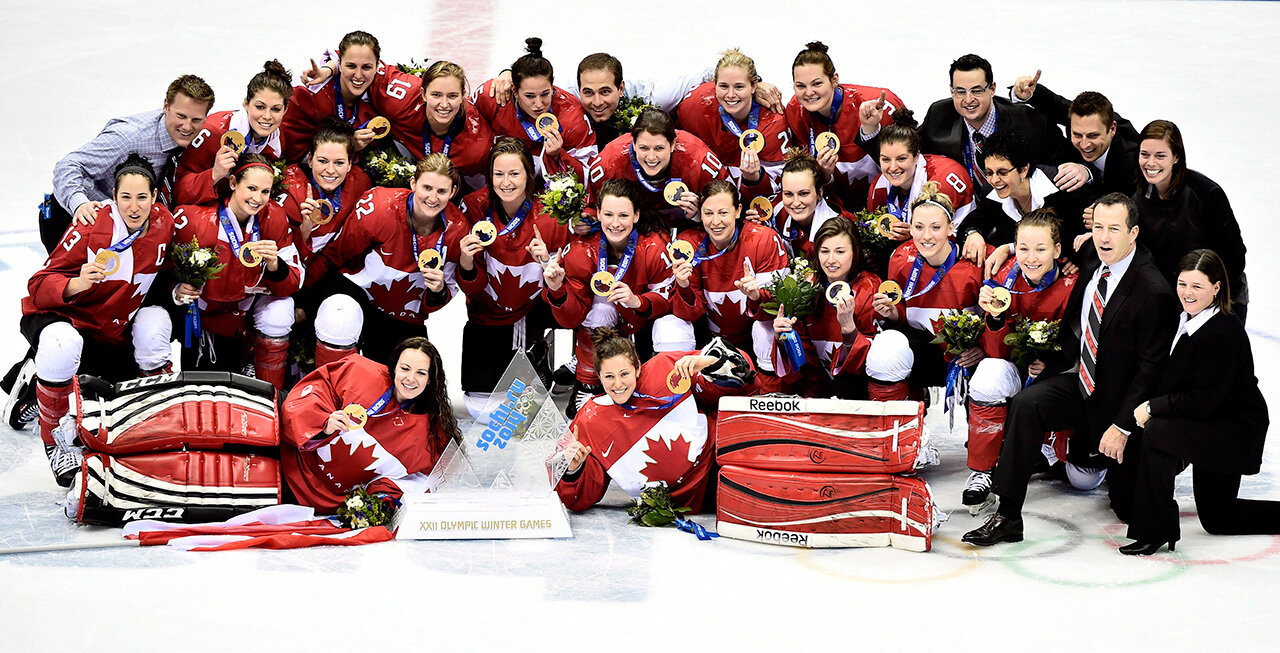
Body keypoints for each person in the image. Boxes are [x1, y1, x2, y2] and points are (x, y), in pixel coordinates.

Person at [963, 193, 1179, 547]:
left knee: (1128, 509)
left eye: (1114, 229)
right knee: (1027, 404)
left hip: (1120, 405)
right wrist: (1050, 364)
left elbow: (1151, 371)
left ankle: (1145, 468)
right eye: (1098, 228)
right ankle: (1006, 516)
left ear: (1134, 232)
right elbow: (1077, 328)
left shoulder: (1153, 290)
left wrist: (1122, 427)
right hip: (1082, 384)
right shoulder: (1094, 258)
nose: (1104, 237)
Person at [8, 155, 176, 485]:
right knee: (61, 345)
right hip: (67, 320)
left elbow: (166, 275)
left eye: (142, 197)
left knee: (156, 321)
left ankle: (155, 426)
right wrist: (78, 283)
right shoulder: (91, 225)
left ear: (155, 198)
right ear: (113, 196)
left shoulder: (164, 224)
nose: (133, 206)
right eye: (125, 197)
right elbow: (38, 286)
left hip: (111, 333)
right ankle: (55, 440)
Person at [1123, 250, 1275, 554]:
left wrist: (1153, 407)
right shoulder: (1184, 320)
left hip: (1232, 428)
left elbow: (1204, 400)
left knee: (1158, 432)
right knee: (1220, 518)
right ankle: (1156, 524)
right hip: (1208, 421)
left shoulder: (1222, 333)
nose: (1187, 293)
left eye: (1197, 286)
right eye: (1183, 284)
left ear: (1216, 288)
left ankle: (1155, 530)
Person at [556, 327, 757, 513]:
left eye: (624, 373)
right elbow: (576, 498)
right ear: (598, 377)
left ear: (637, 368)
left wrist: (709, 363)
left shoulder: (665, 367)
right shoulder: (587, 421)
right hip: (682, 503)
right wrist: (572, 468)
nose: (618, 384)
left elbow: (747, 380)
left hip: (719, 460)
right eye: (609, 376)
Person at [303, 154, 467, 368]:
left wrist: (438, 290)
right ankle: (328, 392)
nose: (433, 198)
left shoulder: (458, 230)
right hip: (355, 291)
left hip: (400, 316)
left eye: (442, 191)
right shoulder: (380, 207)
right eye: (427, 188)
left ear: (453, 192)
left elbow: (434, 303)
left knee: (407, 374)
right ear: (413, 183)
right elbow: (335, 254)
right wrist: (303, 300)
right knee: (339, 314)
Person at [963, 209, 1079, 508]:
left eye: (1041, 249)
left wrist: (1053, 365)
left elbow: (1083, 346)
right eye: (1024, 248)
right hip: (1018, 370)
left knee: (1084, 479)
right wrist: (997, 319)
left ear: (1057, 250)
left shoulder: (1073, 283)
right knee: (988, 375)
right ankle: (982, 470)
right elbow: (996, 353)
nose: (1031, 258)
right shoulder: (1004, 277)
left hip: (1061, 379)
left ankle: (1055, 448)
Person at [542, 179, 688, 415]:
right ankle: (588, 382)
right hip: (605, 321)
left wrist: (637, 301)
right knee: (600, 311)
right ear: (598, 213)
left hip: (641, 322)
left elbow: (669, 301)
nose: (616, 223)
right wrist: (558, 290)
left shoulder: (655, 246)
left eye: (623, 215)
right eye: (608, 214)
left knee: (672, 328)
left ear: (637, 215)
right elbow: (571, 318)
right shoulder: (581, 247)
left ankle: (651, 378)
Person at [457, 138, 572, 418]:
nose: (506, 182)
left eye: (514, 173)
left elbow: (574, 278)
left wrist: (548, 261)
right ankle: (537, 356)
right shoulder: (473, 207)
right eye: (498, 174)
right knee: (481, 411)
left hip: (537, 307)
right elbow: (467, 283)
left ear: (528, 176)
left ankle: (545, 352)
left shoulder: (549, 213)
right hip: (489, 311)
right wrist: (466, 260)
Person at [168, 153, 303, 391]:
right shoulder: (194, 220)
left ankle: (266, 391)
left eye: (265, 191)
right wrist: (176, 290)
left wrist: (275, 266)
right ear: (232, 183)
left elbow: (293, 283)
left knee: (280, 312)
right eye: (251, 188)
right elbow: (159, 272)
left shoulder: (275, 218)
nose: (257, 198)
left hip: (241, 324)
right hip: (197, 324)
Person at [280, 337, 460, 512]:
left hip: (313, 495)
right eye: (405, 369)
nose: (411, 378)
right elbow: (315, 389)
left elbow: (421, 482)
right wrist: (321, 422)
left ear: (430, 379)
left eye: (421, 373)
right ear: (395, 367)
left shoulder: (432, 435)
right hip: (290, 441)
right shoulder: (359, 372)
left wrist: (380, 500)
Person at [42, 74, 214, 252]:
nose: (187, 127)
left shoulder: (192, 141)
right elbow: (68, 165)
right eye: (181, 116)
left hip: (123, 225)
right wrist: (79, 204)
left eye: (196, 120)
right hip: (70, 220)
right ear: (166, 106)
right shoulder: (129, 138)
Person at [902, 54, 1084, 197]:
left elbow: (1071, 157)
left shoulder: (1028, 121)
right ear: (951, 91)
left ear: (992, 89)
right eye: (960, 91)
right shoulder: (939, 115)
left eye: (976, 90)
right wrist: (873, 129)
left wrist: (1085, 170)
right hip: (965, 213)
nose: (968, 100)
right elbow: (902, 153)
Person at [869, 183, 984, 402]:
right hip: (925, 353)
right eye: (919, 227)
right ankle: (895, 426)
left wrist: (984, 348)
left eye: (936, 227)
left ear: (951, 228)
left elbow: (998, 315)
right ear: (910, 228)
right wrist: (891, 312)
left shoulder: (976, 260)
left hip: (969, 357)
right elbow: (904, 313)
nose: (927, 236)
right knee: (886, 347)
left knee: (992, 374)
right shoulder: (901, 259)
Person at [1131, 120, 1249, 322]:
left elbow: (1235, 257)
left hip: (1220, 299)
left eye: (1160, 156)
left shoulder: (1206, 194)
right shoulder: (1140, 198)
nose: (1150, 163)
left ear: (1176, 157)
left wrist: (1210, 299)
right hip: (1175, 300)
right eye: (1145, 155)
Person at [668, 181, 789, 372]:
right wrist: (683, 287)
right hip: (709, 342)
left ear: (738, 211)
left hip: (755, 339)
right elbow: (688, 315)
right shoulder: (688, 245)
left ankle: (768, 392)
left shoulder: (763, 239)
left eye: (723, 213)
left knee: (765, 329)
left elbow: (779, 309)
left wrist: (756, 296)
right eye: (708, 213)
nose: (715, 222)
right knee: (671, 326)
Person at [770, 216, 882, 398]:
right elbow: (802, 365)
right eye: (824, 251)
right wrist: (783, 339)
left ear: (855, 252)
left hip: (860, 391)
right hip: (817, 388)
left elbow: (879, 362)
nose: (830, 260)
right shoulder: (807, 287)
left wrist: (849, 330)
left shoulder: (870, 287)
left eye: (839, 252)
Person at [785, 41, 905, 208]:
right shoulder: (795, 112)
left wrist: (872, 131)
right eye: (800, 86)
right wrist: (824, 174)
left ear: (834, 80)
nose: (809, 92)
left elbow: (912, 162)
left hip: (890, 208)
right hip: (839, 208)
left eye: (817, 83)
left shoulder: (877, 105)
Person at [966, 131, 1098, 273]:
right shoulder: (990, 193)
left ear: (1023, 170)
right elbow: (972, 223)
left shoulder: (1062, 184)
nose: (994, 180)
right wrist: (973, 234)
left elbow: (1098, 225)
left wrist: (1080, 257)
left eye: (1002, 172)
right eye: (989, 173)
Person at [172, 61, 292, 206]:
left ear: (285, 110)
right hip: (206, 208)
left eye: (276, 109)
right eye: (260, 107)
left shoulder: (277, 142)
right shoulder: (212, 132)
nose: (267, 116)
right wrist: (214, 174)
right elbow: (178, 191)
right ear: (246, 103)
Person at [587, 108, 729, 229]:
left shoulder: (698, 159)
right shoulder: (609, 161)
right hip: (627, 231)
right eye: (644, 148)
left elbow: (730, 206)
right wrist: (588, 220)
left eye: (659, 148)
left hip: (688, 230)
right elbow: (592, 207)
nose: (651, 157)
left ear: (673, 144)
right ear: (634, 143)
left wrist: (701, 213)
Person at [473, 38, 597, 175]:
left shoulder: (573, 116)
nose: (539, 104)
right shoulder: (493, 96)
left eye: (545, 94)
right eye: (530, 96)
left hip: (547, 189)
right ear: (514, 90)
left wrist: (558, 156)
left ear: (552, 87)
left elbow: (588, 178)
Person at [1008, 72, 1141, 197]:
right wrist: (1028, 92)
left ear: (1112, 129)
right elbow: (1055, 104)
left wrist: (1088, 173)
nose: (1085, 145)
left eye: (1093, 136)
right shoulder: (1080, 119)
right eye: (1077, 135)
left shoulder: (1133, 159)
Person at [675, 49, 787, 191]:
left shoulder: (773, 121)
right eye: (723, 86)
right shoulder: (694, 107)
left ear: (754, 86)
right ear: (714, 84)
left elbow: (778, 191)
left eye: (739, 87)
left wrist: (754, 179)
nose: (731, 95)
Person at [865, 109, 977, 244]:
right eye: (886, 160)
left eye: (901, 159)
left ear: (917, 156)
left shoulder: (944, 182)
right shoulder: (878, 188)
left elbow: (958, 236)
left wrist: (914, 235)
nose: (893, 167)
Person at [384, 61, 495, 190]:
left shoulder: (478, 145)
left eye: (452, 96)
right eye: (436, 95)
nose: (444, 104)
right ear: (423, 94)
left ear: (462, 96)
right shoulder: (400, 100)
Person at [277, 120, 372, 265]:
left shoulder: (360, 183)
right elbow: (282, 260)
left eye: (339, 163)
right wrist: (305, 228)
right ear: (310, 159)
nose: (330, 170)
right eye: (322, 161)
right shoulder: (289, 190)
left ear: (349, 164)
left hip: (331, 272)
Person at [281, 31, 384, 163]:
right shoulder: (309, 94)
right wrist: (347, 146)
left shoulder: (379, 95)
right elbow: (290, 155)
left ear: (377, 66)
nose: (358, 75)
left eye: (366, 67)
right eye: (351, 66)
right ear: (339, 64)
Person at [760, 150, 852, 258]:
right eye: (788, 194)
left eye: (803, 194)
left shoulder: (843, 227)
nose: (796, 202)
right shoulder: (775, 212)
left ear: (819, 192)